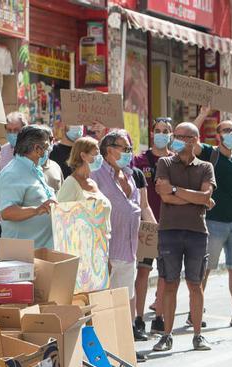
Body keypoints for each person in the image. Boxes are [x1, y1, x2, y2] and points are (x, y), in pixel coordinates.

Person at [152, 122, 216, 353]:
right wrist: (196, 198)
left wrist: (176, 190)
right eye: (175, 135)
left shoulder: (206, 166)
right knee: (170, 283)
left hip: (197, 232)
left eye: (182, 136)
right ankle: (166, 335)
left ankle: (198, 335)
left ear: (194, 140)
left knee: (195, 284)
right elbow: (165, 197)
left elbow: (205, 195)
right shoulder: (165, 162)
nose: (175, 139)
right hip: (169, 231)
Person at [194, 108, 232, 328]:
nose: (230, 134)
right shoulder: (211, 153)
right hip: (213, 222)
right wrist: (203, 115)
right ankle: (195, 311)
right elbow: (192, 139)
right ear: (218, 135)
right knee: (205, 268)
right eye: (226, 130)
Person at [92, 131, 151, 341]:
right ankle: (107, 348)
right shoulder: (95, 175)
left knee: (125, 301)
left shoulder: (129, 174)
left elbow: (141, 207)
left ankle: (125, 347)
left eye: (129, 149)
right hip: (106, 252)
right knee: (104, 305)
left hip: (129, 250)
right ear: (110, 150)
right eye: (125, 149)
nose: (129, 153)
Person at [132, 118, 173, 335]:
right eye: (157, 130)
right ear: (151, 133)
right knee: (143, 271)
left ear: (171, 135)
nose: (161, 134)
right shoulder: (139, 160)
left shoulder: (176, 161)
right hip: (147, 227)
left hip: (170, 226)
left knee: (166, 274)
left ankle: (159, 316)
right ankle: (139, 317)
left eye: (165, 131)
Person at [0, 125, 56, 249]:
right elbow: (7, 212)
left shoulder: (34, 169)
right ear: (37, 148)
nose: (49, 148)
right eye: (46, 145)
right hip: (22, 255)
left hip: (42, 251)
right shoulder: (12, 173)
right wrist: (37, 210)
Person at [57, 136, 111, 210]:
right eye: (96, 154)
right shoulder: (71, 183)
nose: (100, 158)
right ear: (83, 156)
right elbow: (60, 213)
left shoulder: (92, 182)